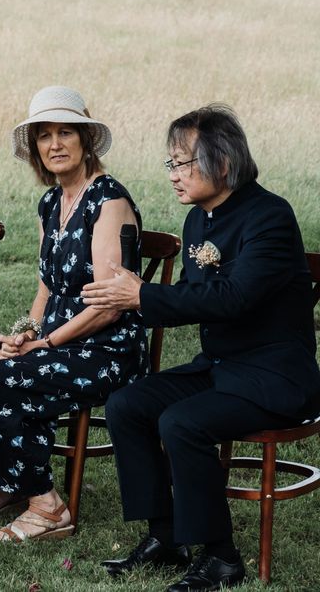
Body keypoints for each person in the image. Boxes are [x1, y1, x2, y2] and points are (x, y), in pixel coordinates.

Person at [82, 105, 320, 591]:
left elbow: (234, 298)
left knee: (182, 422)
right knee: (127, 404)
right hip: (220, 367)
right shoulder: (198, 223)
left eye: (182, 163)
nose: (173, 175)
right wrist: (134, 296)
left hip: (274, 376)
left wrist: (143, 295)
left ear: (224, 162)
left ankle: (221, 559)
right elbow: (197, 299)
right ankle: (166, 537)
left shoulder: (269, 216)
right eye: (170, 163)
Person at [0, 85, 147, 542]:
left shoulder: (109, 201)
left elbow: (108, 306)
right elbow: (47, 286)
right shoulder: (50, 203)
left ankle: (46, 505)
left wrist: (46, 343)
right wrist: (23, 335)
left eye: (65, 133)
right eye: (44, 135)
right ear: (36, 148)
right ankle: (11, 479)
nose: (55, 144)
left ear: (85, 140)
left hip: (104, 348)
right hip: (55, 340)